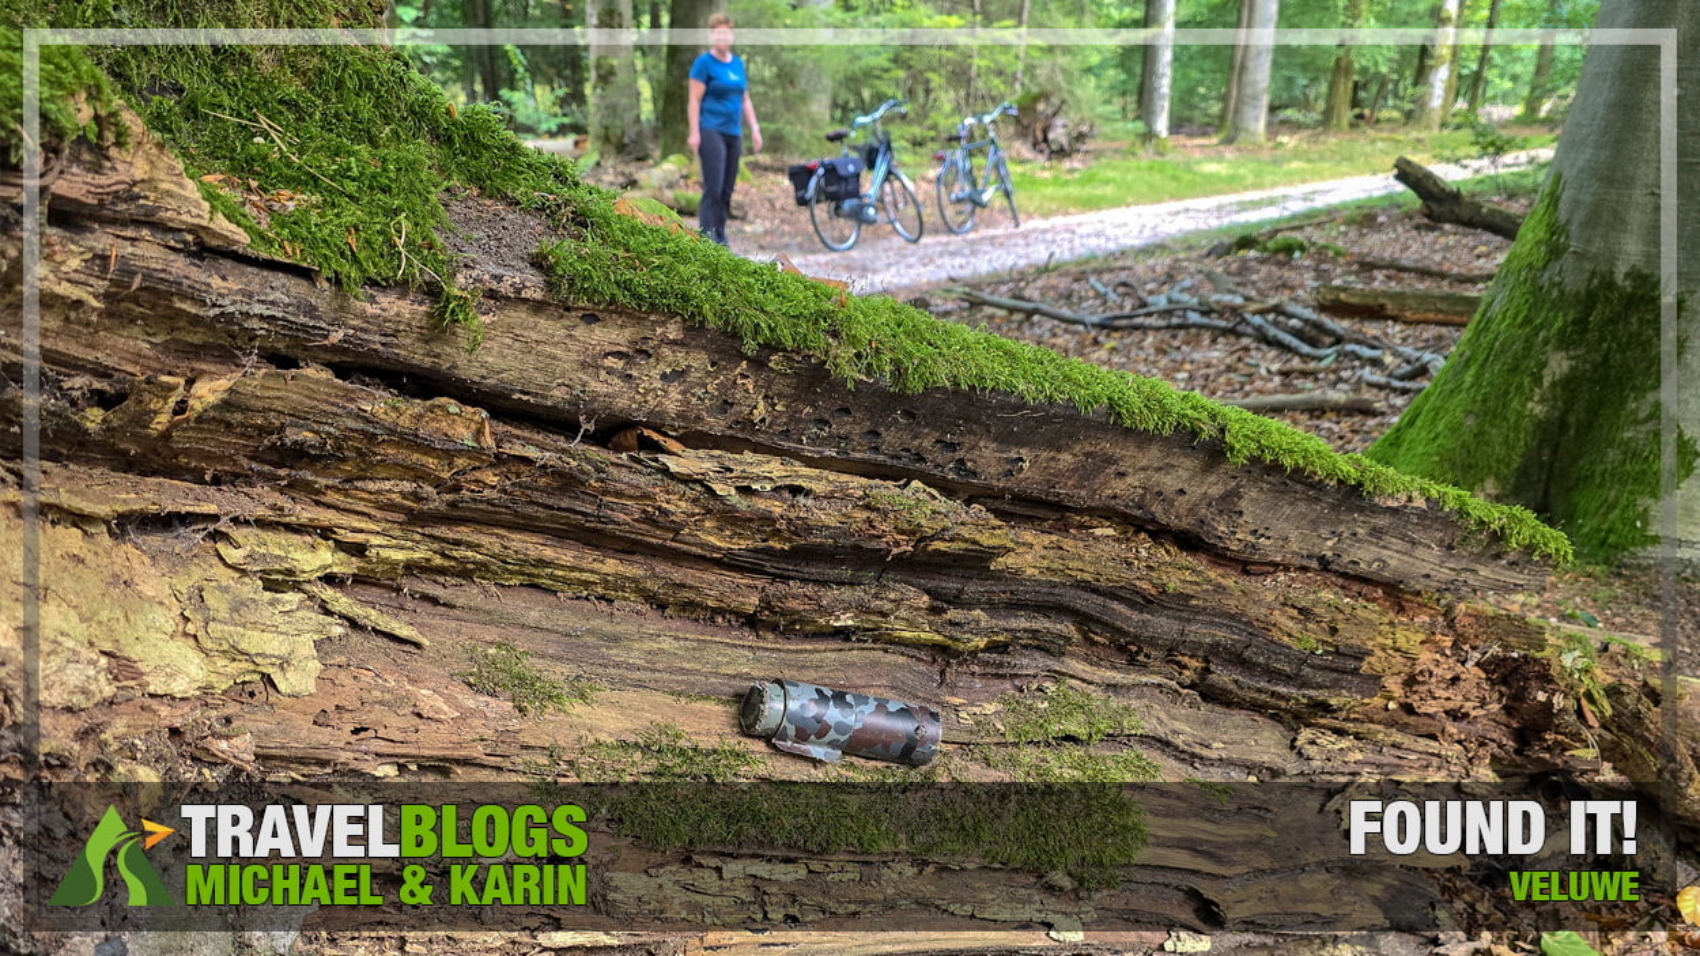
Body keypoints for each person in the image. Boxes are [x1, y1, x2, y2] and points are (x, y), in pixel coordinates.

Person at [686, 12, 762, 247]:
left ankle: (721, 235)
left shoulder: (737, 63)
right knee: (714, 187)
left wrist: (755, 128)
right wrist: (694, 132)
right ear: (712, 35)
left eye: (726, 32)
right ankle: (707, 236)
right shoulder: (703, 63)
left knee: (728, 188)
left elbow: (745, 99)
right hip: (711, 130)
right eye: (718, 32)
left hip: (733, 132)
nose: (723, 36)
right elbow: (694, 100)